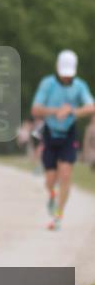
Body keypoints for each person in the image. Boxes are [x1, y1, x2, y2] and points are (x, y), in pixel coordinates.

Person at [31, 50, 95, 230]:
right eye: (63, 74)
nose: (67, 78)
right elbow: (36, 109)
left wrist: (72, 111)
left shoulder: (80, 86)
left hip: (68, 134)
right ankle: (52, 194)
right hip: (50, 133)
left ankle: (58, 216)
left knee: (66, 174)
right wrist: (55, 111)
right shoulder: (47, 84)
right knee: (50, 180)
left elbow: (91, 107)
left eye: (69, 75)